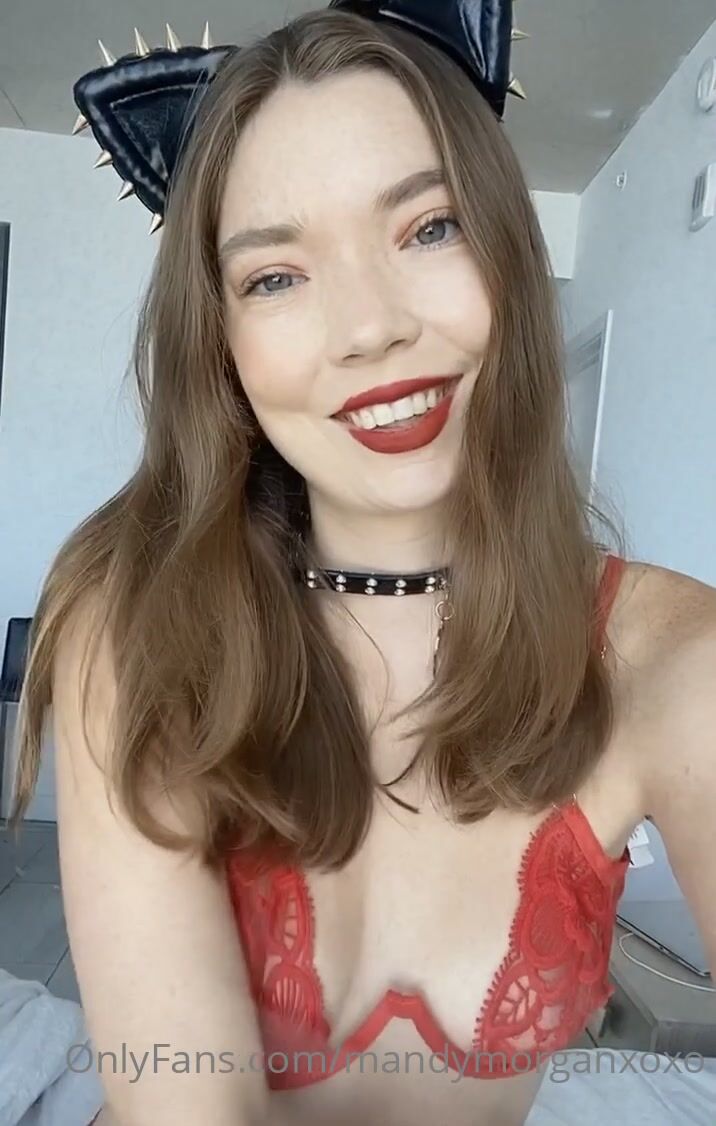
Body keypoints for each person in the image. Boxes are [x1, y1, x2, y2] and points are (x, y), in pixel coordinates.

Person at [9, 3, 716, 1124]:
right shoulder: (136, 618)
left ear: (507, 248)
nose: (369, 328)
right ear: (221, 343)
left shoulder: (675, 663)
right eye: (274, 277)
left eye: (428, 227)